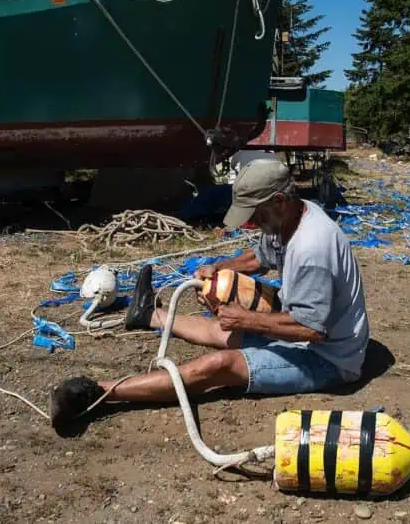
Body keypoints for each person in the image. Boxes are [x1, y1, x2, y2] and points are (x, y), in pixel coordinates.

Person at [49, 160, 370, 432]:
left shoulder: (313, 247)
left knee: (220, 364)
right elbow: (260, 257)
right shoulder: (292, 216)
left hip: (329, 358)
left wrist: (245, 319)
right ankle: (149, 315)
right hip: (308, 329)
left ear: (279, 200)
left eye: (254, 213)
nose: (251, 222)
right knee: (222, 329)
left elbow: (312, 329)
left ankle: (98, 394)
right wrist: (218, 268)